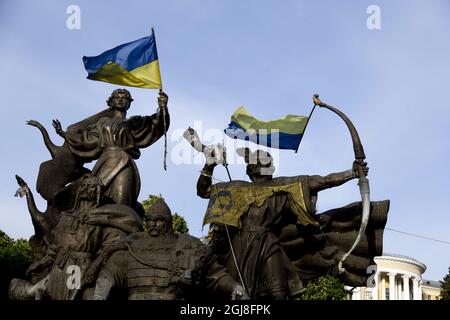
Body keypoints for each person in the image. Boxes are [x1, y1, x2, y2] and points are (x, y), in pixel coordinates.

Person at [196, 147, 369, 300]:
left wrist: (351, 173)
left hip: (267, 244)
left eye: (267, 162)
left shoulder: (283, 186)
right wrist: (209, 165)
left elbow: (323, 181)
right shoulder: (237, 188)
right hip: (239, 248)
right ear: (252, 169)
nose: (266, 166)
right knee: (235, 292)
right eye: (262, 162)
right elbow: (204, 190)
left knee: (278, 292)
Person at [9, 173, 142, 300]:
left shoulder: (101, 218)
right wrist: (40, 264)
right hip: (59, 266)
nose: (85, 188)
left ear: (97, 192)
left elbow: (108, 248)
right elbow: (55, 248)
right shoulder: (66, 216)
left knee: (70, 295)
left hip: (77, 267)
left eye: (90, 186)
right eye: (84, 186)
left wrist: (96, 266)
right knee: (53, 295)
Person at [93, 199, 248, 300]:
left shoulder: (189, 245)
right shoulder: (133, 245)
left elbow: (216, 275)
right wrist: (100, 294)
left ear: (169, 223)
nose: (153, 224)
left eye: (158, 220)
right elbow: (111, 272)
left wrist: (234, 287)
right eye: (149, 220)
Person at [53, 89, 170, 211]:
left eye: (124, 97)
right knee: (95, 201)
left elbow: (156, 123)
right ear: (111, 102)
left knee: (121, 203)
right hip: (105, 164)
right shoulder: (103, 123)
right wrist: (65, 134)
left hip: (124, 164)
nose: (120, 99)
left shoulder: (135, 122)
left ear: (129, 103)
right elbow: (88, 141)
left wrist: (163, 108)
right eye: (116, 97)